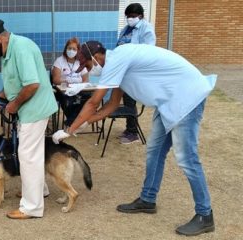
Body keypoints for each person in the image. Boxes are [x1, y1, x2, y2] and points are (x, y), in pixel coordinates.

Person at [52, 41, 216, 236]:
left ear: (97, 56)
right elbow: (112, 104)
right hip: (166, 102)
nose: (88, 70)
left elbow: (94, 102)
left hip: (185, 96)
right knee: (154, 153)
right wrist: (87, 122)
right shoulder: (117, 64)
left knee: (187, 159)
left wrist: (70, 129)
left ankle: (205, 215)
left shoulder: (116, 60)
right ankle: (148, 199)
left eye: (87, 65)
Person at [0, 18, 58, 219]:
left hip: (34, 110)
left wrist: (14, 105)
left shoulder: (20, 49)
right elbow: (17, 81)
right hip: (30, 110)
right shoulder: (9, 51)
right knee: (31, 154)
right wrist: (3, 95)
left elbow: (32, 85)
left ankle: (31, 207)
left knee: (28, 157)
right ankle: (40, 191)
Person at [117, 3, 156, 144]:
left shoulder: (146, 29)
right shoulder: (126, 29)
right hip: (125, 71)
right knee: (127, 100)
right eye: (128, 16)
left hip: (135, 71)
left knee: (130, 100)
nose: (130, 19)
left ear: (140, 16)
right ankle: (129, 128)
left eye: (133, 16)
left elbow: (148, 50)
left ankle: (133, 132)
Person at [51, 37, 90, 127]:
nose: (71, 51)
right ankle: (74, 122)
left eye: (74, 49)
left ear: (78, 50)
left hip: (79, 90)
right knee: (67, 100)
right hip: (63, 91)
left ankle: (70, 122)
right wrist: (64, 82)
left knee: (88, 98)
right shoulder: (59, 61)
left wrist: (80, 87)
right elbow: (55, 80)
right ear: (66, 49)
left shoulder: (81, 62)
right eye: (69, 48)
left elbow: (86, 80)